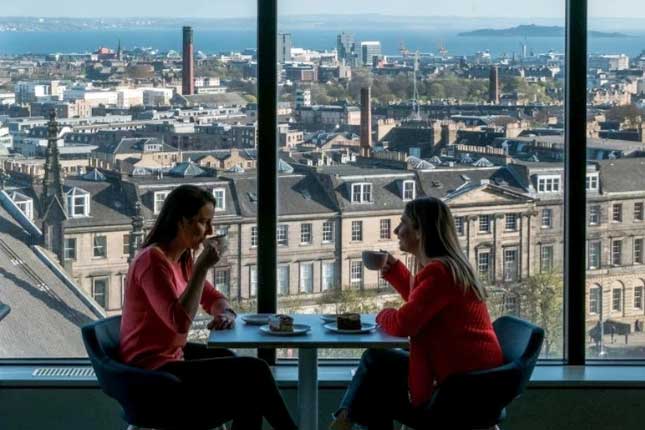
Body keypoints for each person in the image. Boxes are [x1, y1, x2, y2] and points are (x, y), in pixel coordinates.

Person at [119, 185, 297, 430]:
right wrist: (202, 268)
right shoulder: (152, 261)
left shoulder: (181, 258)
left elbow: (213, 297)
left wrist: (225, 312)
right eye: (203, 222)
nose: (210, 231)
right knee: (254, 372)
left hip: (172, 361)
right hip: (151, 374)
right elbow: (179, 322)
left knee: (248, 377)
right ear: (181, 221)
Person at [330, 197, 504, 430]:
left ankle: (343, 419)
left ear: (420, 231)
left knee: (376, 382)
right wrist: (395, 272)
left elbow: (404, 324)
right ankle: (344, 419)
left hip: (458, 391)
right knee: (376, 366)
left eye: (403, 223)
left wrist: (382, 314)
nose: (396, 230)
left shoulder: (439, 273)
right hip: (473, 382)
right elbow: (424, 303)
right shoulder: (448, 267)